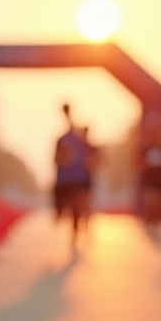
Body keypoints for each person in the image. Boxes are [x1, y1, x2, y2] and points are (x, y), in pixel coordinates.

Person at [54, 104, 91, 245]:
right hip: (65, 180)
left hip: (79, 179)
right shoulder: (61, 140)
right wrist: (63, 159)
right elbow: (56, 160)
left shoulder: (81, 140)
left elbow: (94, 157)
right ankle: (59, 214)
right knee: (66, 206)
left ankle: (77, 230)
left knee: (77, 206)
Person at [137, 116, 161, 237]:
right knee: (150, 203)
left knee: (159, 205)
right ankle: (149, 222)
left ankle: (157, 226)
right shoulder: (144, 148)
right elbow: (137, 163)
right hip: (149, 182)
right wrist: (146, 164)